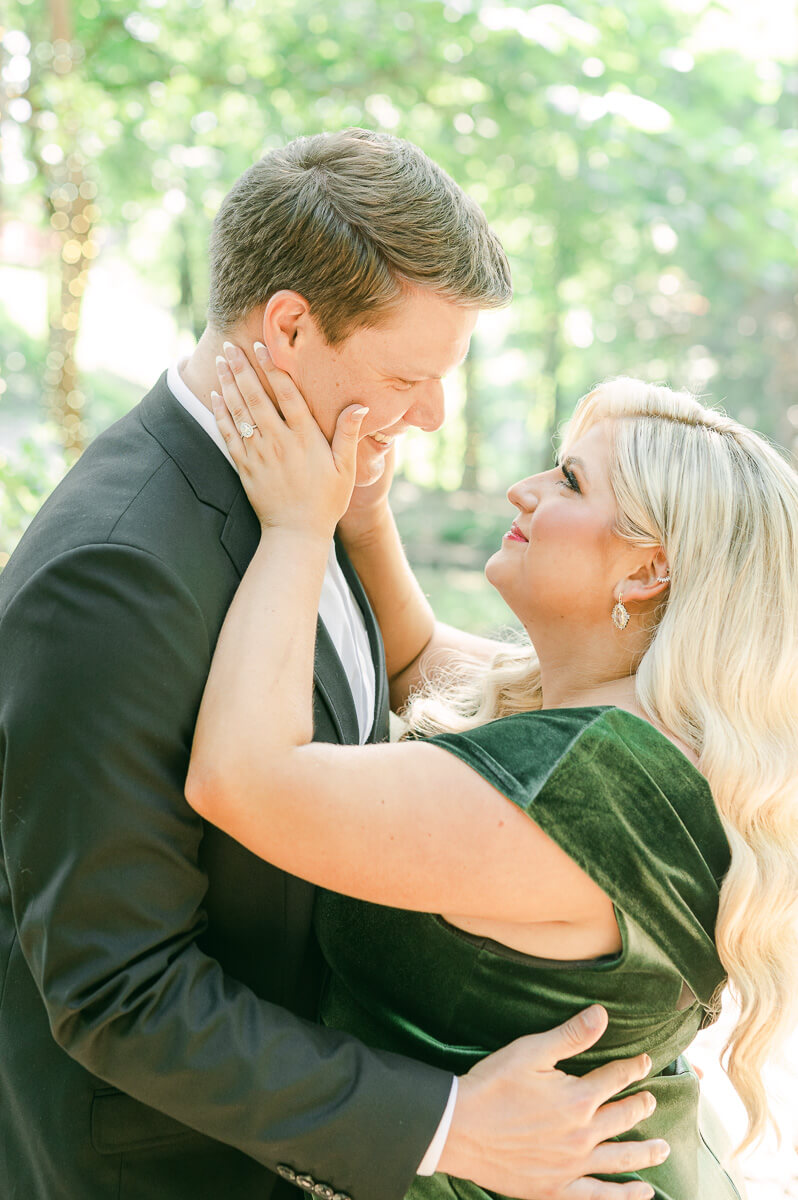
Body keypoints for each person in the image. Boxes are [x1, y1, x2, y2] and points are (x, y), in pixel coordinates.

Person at [0, 129, 663, 1200]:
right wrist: (446, 1126)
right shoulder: (120, 571)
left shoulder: (309, 484)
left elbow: (383, 687)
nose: (434, 412)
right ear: (290, 326)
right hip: (169, 1167)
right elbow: (112, 988)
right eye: (410, 373)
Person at [185, 345, 798, 1199]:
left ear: (648, 567)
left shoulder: (592, 784)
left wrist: (296, 527)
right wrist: (361, 516)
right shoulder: (659, 744)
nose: (525, 489)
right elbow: (419, 658)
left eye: (571, 482)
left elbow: (242, 783)